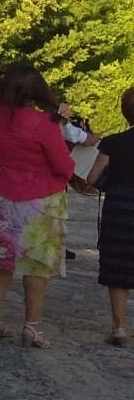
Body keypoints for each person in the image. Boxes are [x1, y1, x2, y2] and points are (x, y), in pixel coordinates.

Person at [0, 63, 75, 348]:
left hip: (6, 195)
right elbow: (64, 166)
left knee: (2, 259)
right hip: (41, 200)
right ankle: (32, 326)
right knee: (36, 266)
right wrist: (58, 125)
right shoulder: (42, 124)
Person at [83, 86, 134, 346]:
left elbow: (91, 178)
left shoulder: (112, 143)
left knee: (117, 267)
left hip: (119, 209)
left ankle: (119, 328)